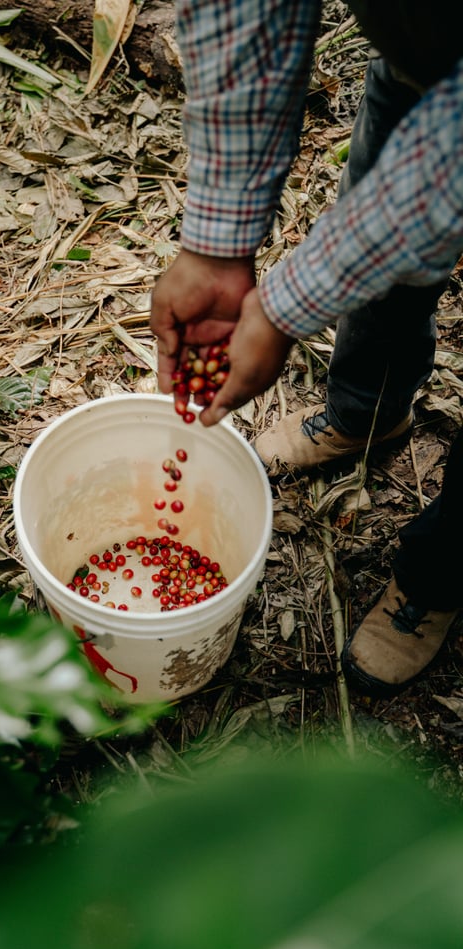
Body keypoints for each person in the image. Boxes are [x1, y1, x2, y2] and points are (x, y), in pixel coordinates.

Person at [149, 1, 463, 698]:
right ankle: (368, 411)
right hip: (423, 64)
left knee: (386, 232)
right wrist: (215, 244)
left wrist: (286, 305)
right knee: (386, 258)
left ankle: (441, 572)